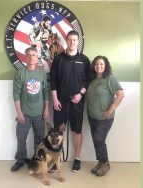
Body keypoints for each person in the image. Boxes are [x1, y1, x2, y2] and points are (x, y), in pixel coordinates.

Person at [50, 30, 91, 173]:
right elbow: (53, 80)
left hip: (77, 102)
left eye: (75, 40)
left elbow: (88, 80)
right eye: (70, 40)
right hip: (60, 102)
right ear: (66, 41)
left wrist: (81, 94)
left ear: (78, 41)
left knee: (77, 131)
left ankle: (77, 159)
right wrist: (54, 99)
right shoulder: (58, 58)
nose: (72, 42)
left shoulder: (84, 60)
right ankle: (56, 159)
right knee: (57, 131)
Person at [11, 47, 49, 172]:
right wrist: (19, 112)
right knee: (21, 138)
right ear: (25, 57)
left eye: (34, 55)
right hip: (24, 114)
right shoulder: (20, 73)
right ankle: (20, 160)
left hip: (39, 114)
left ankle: (37, 160)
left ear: (37, 57)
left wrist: (46, 109)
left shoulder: (42, 73)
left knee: (39, 140)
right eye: (29, 55)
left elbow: (45, 92)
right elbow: (16, 93)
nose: (31, 57)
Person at [86, 55, 124, 176]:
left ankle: (105, 163)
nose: (99, 66)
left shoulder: (110, 78)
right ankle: (101, 162)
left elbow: (120, 94)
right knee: (97, 140)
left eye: (101, 64)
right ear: (94, 66)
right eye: (96, 64)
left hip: (104, 117)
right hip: (92, 116)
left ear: (106, 66)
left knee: (99, 140)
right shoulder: (92, 79)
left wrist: (110, 109)